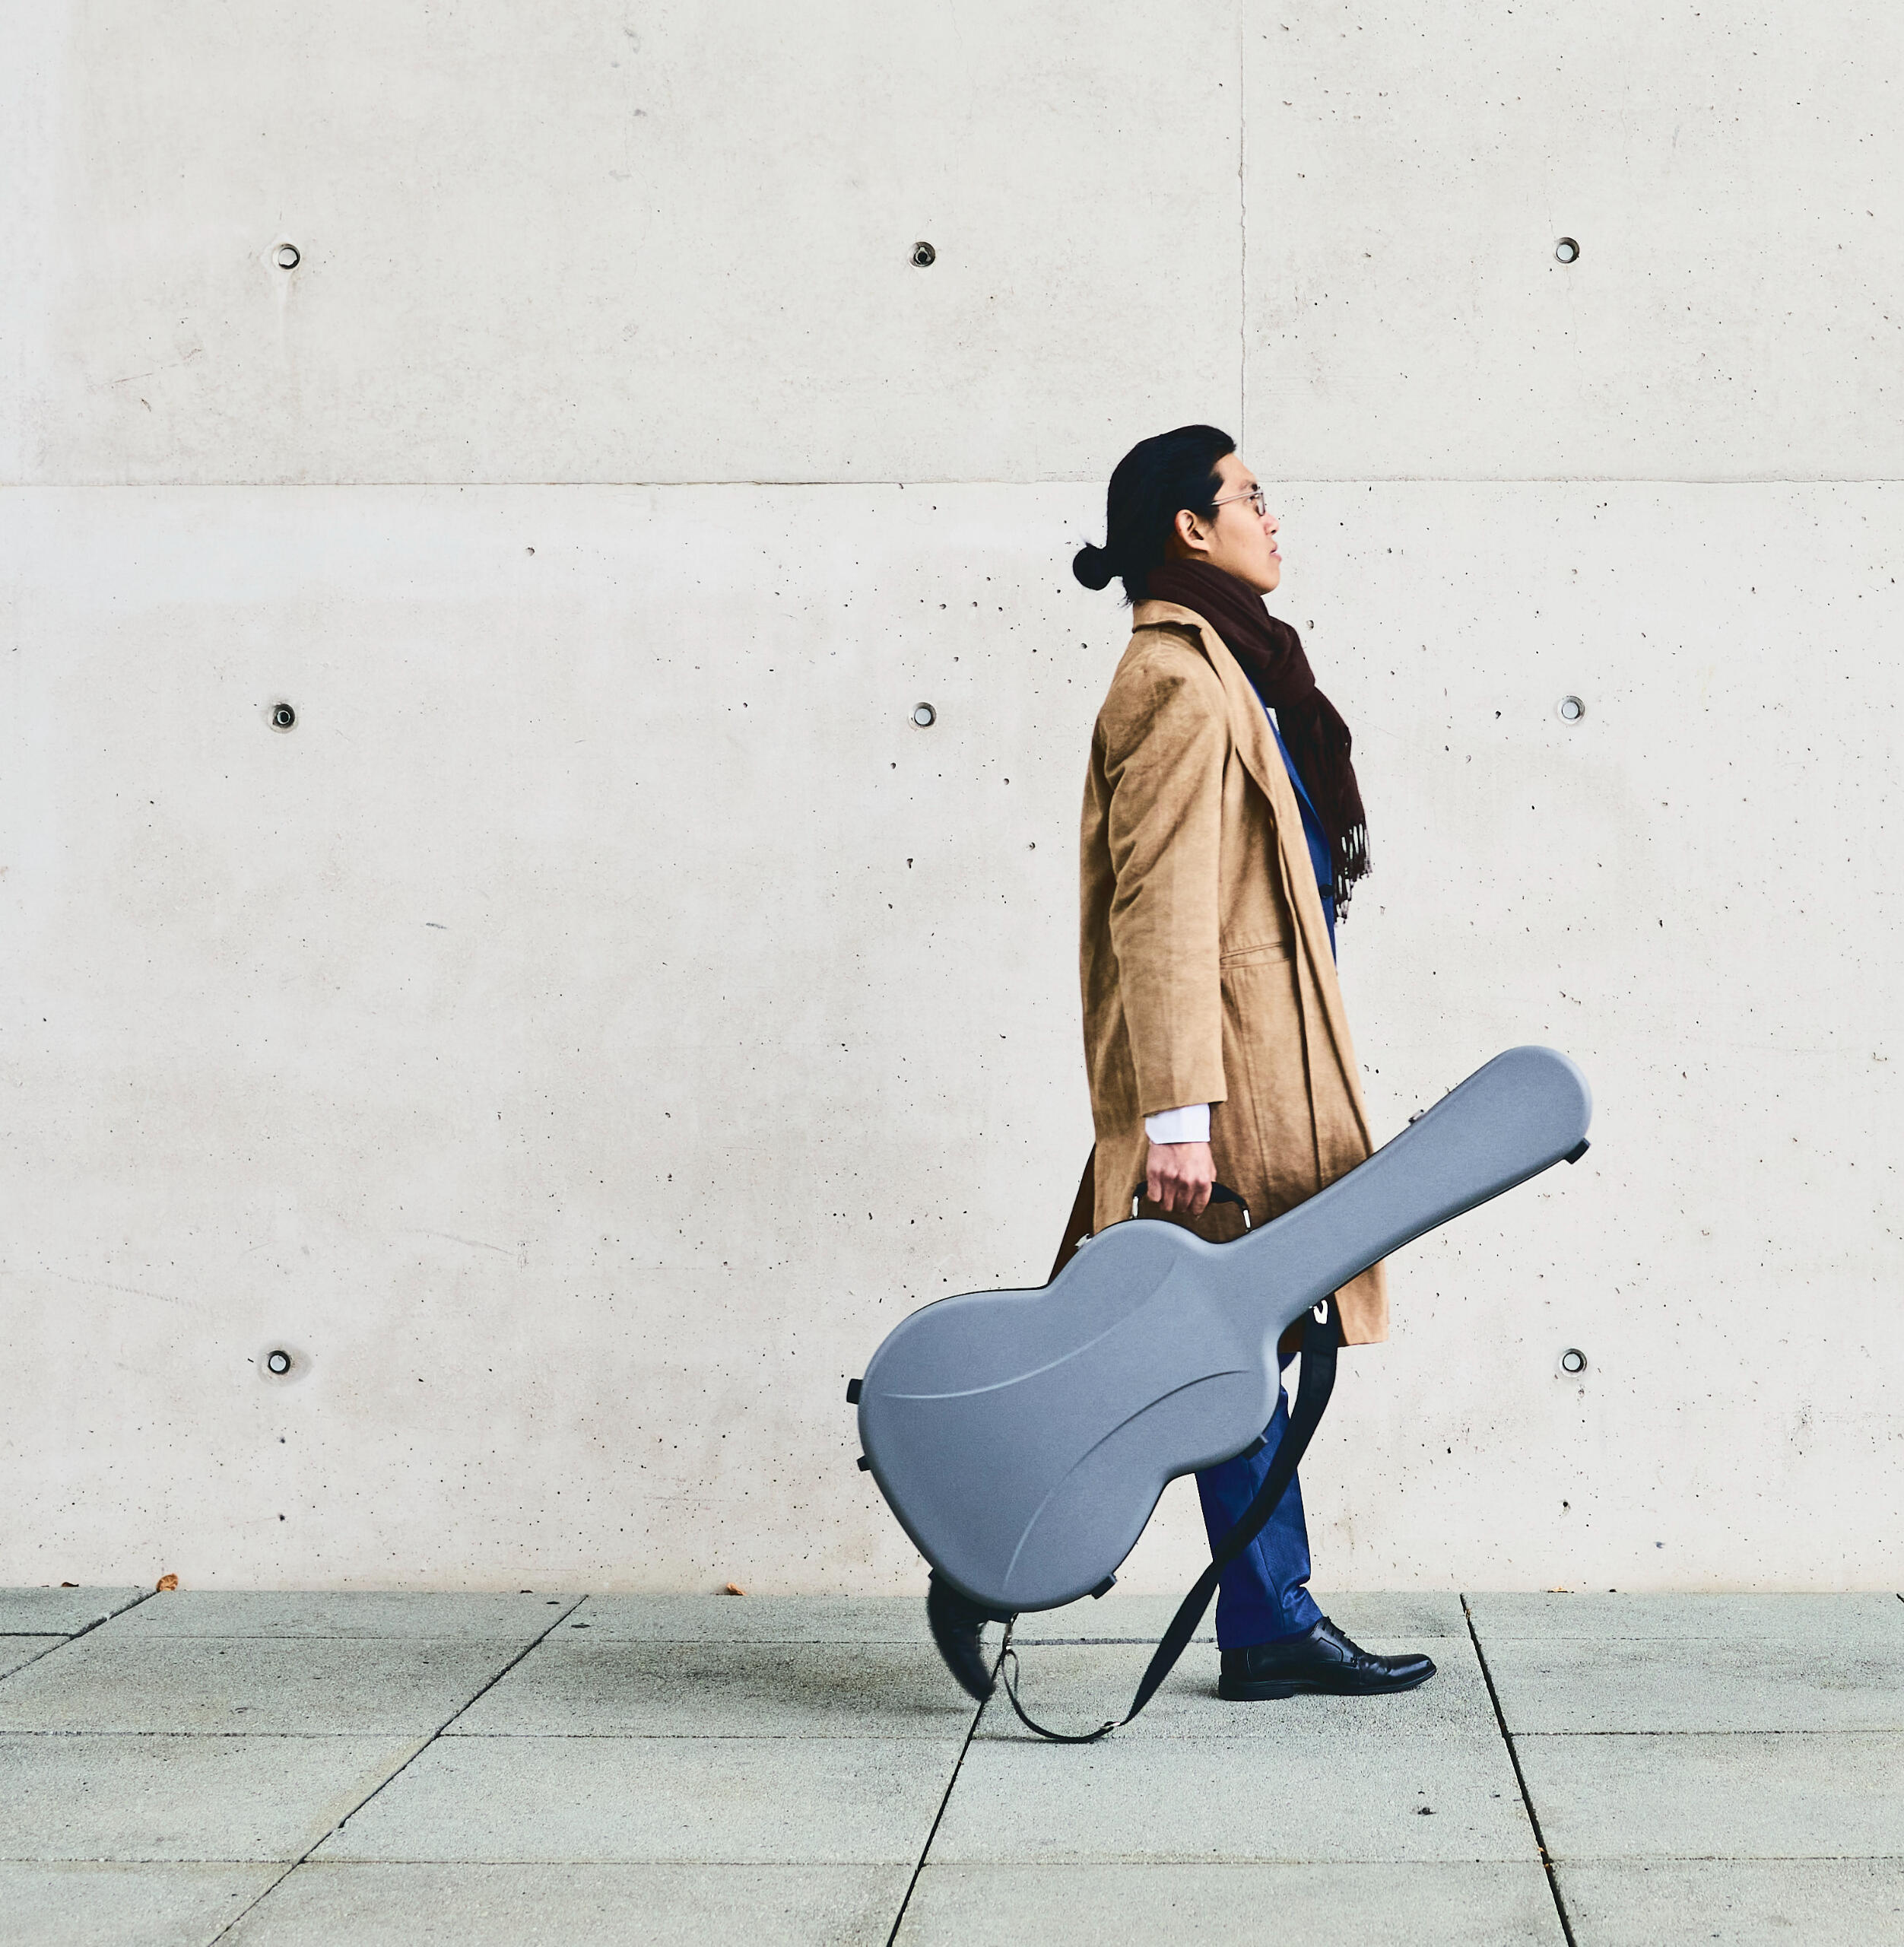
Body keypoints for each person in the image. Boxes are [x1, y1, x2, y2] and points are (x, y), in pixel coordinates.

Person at [926, 425, 1436, 1704]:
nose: (1274, 516)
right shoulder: (1176, 681)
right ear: (1191, 530)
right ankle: (1235, 1613)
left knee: (1172, 1349)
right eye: (1251, 498)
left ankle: (1175, 1599)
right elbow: (1156, 911)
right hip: (1219, 1095)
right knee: (1197, 1351)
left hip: (1254, 1076)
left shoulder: (1236, 668)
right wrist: (1175, 1120)